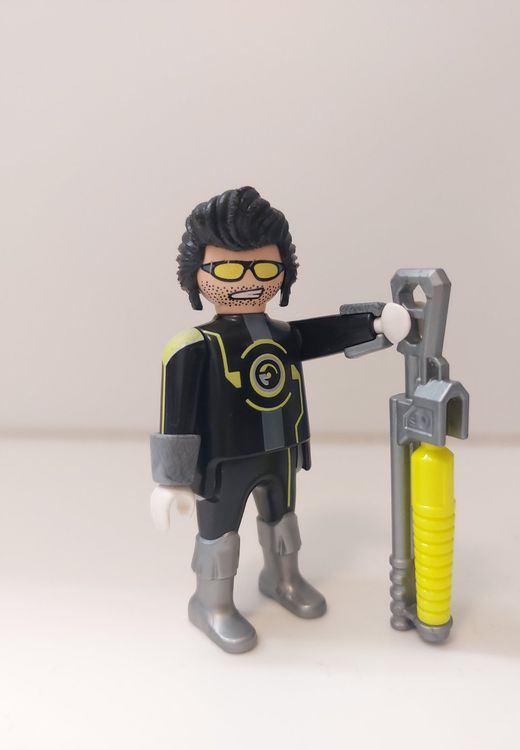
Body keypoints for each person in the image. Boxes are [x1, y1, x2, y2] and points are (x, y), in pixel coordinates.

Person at [150, 186, 410, 653]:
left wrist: (374, 324)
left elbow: (322, 334)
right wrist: (170, 481)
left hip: (281, 452)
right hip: (223, 462)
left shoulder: (283, 334)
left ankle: (282, 579)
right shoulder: (193, 346)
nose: (248, 280)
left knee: (283, 518)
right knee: (219, 534)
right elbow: (177, 414)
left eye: (265, 268)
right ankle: (210, 603)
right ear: (196, 276)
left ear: (283, 273)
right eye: (228, 269)